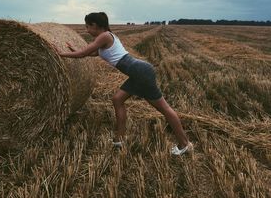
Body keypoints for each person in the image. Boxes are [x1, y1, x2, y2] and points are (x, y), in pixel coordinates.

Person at [58, 12, 193, 155]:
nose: (87, 30)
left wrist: (61, 54)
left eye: (87, 27)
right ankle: (119, 139)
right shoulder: (108, 37)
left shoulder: (104, 36)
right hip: (138, 72)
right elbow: (90, 53)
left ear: (95, 25)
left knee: (164, 108)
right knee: (117, 99)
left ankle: (184, 144)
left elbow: (83, 54)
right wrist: (73, 50)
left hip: (141, 72)